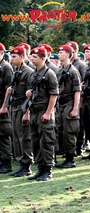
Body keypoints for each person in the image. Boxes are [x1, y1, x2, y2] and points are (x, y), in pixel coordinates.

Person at [26, 46, 59, 181]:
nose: (31, 59)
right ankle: (40, 168)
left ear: (42, 58)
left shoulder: (49, 74)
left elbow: (53, 95)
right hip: (34, 111)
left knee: (46, 141)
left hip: (44, 112)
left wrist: (48, 113)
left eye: (34, 57)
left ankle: (48, 169)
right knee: (35, 141)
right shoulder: (34, 73)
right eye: (31, 56)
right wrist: (29, 93)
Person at [3, 46, 34, 177]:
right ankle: (21, 163)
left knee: (24, 137)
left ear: (22, 57)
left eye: (14, 56)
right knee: (16, 136)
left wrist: (27, 112)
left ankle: (26, 165)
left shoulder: (28, 72)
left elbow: (30, 95)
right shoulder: (17, 70)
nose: (12, 59)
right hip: (15, 106)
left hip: (23, 107)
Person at [55, 44, 81, 168]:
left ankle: (70, 159)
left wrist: (75, 108)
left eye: (61, 52)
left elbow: (77, 90)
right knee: (62, 130)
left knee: (69, 131)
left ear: (68, 54)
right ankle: (66, 156)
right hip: (62, 103)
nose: (59, 54)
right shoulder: (60, 71)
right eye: (59, 53)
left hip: (70, 102)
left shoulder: (73, 71)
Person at [66, 41, 87, 157]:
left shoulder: (80, 65)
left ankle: (79, 147)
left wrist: (80, 101)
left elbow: (82, 84)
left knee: (78, 125)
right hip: (69, 98)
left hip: (80, 98)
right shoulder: (68, 64)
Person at [0, 43, 13, 173]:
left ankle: (6, 162)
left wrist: (4, 105)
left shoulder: (6, 67)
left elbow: (8, 89)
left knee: (3, 134)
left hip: (2, 105)